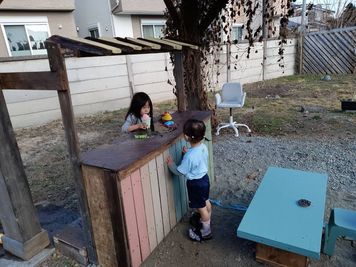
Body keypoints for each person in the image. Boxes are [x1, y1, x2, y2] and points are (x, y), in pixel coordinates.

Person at [166, 119, 212, 241]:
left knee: (200, 207)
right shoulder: (202, 147)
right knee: (205, 201)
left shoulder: (190, 157)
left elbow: (179, 171)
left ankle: (205, 231)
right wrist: (188, 153)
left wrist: (171, 164)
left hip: (195, 184)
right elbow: (197, 159)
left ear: (186, 137)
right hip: (204, 179)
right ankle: (206, 218)